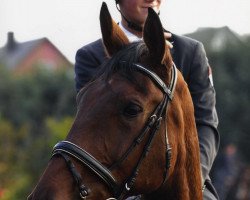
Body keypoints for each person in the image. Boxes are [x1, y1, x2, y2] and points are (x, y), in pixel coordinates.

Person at [74, 0, 220, 199]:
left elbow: (206, 123)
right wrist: (140, 53)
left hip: (186, 180)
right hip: (116, 184)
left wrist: (194, 177)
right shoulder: (91, 56)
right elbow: (92, 129)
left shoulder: (190, 51)